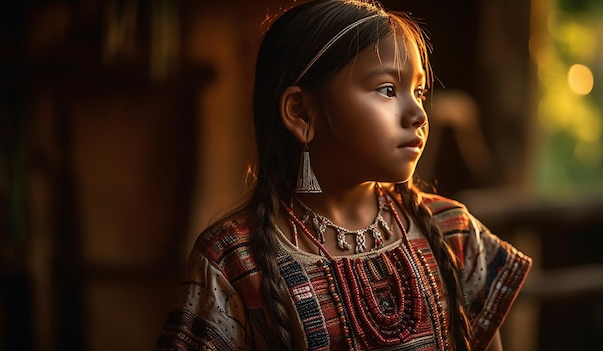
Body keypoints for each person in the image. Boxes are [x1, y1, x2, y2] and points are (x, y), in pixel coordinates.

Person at [157, 0, 532, 350]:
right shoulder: (233, 260)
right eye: (387, 89)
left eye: (418, 91)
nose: (418, 114)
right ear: (301, 113)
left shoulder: (453, 233)